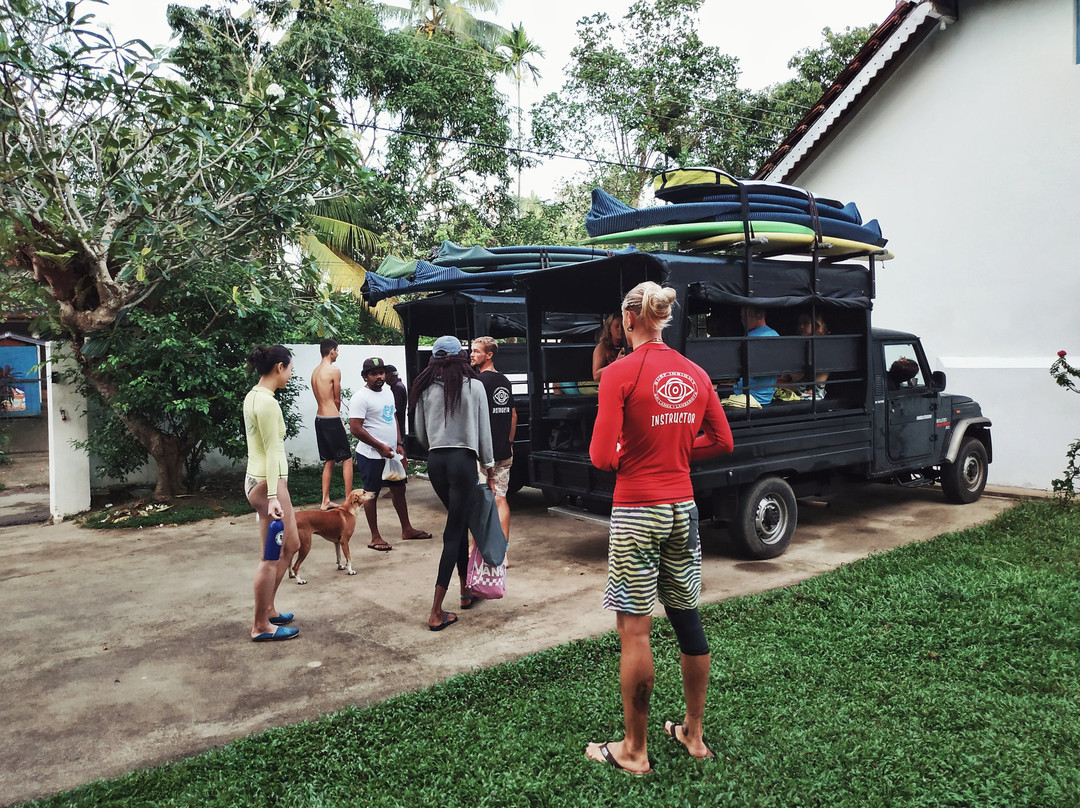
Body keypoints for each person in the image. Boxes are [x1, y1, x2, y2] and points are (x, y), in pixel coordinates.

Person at [585, 281, 734, 775]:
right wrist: (678, 453)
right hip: (682, 510)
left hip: (637, 510)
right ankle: (693, 733)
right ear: (662, 317)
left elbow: (602, 457)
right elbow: (722, 439)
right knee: (687, 618)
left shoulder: (617, 373)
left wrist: (636, 456)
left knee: (635, 632)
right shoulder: (695, 372)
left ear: (628, 320)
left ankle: (634, 749)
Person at [411, 335, 494, 631]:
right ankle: (435, 611)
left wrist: (436, 444)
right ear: (461, 355)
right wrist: (489, 465)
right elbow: (484, 432)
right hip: (463, 462)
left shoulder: (423, 389)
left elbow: (419, 433)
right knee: (453, 532)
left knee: (457, 525)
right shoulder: (475, 386)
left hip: (436, 463)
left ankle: (465, 591)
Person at [243, 345, 301, 642]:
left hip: (267, 482)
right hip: (268, 485)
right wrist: (274, 496)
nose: (291, 375)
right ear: (279, 367)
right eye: (290, 369)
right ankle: (260, 625)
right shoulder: (267, 403)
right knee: (270, 556)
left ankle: (268, 609)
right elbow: (271, 451)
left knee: (291, 544)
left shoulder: (256, 396)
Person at [350, 356, 431, 552]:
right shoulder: (360, 398)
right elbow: (356, 428)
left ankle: (407, 529)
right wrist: (379, 446)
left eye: (381, 373)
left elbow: (393, 417)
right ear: (365, 377)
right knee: (371, 495)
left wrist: (398, 443)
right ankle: (375, 537)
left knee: (399, 489)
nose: (379, 376)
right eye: (373, 373)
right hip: (371, 455)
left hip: (391, 453)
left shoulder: (388, 392)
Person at [470, 336, 517, 543]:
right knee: (500, 499)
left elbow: (473, 416)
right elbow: (513, 415)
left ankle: (475, 549)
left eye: (476, 351)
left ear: (489, 355)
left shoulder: (478, 382)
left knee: (478, 501)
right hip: (504, 451)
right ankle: (503, 552)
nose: (472, 354)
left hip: (483, 453)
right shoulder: (504, 380)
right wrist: (510, 442)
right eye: (471, 350)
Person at [311, 338, 354, 510]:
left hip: (319, 418)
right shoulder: (334, 370)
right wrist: (339, 419)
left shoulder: (315, 372)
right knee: (347, 458)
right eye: (337, 351)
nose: (338, 354)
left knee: (329, 459)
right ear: (332, 351)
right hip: (330, 419)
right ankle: (350, 500)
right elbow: (336, 399)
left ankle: (325, 501)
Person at [721, 304, 779, 409]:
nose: (742, 321)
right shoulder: (776, 335)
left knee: (710, 389)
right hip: (767, 397)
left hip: (747, 395)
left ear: (760, 316)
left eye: (745, 317)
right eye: (741, 317)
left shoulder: (750, 338)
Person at [776, 312, 830, 401]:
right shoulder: (807, 343)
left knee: (768, 385)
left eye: (805, 323)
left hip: (808, 391)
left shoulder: (817, 345)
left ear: (816, 325)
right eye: (800, 324)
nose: (801, 327)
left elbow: (797, 375)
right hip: (802, 386)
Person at [381, 364, 409, 500]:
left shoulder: (396, 389)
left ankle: (398, 484)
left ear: (390, 375)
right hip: (399, 426)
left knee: (398, 455)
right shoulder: (398, 386)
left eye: (384, 374)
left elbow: (394, 411)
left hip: (397, 427)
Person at [591, 313, 627, 382]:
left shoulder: (630, 345)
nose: (620, 329)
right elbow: (596, 376)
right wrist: (617, 363)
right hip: (609, 383)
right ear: (609, 329)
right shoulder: (602, 347)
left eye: (622, 326)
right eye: (617, 326)